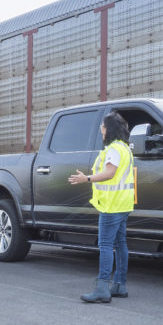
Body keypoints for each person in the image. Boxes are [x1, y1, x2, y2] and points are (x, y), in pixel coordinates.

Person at [68, 112, 134, 303]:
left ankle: (102, 288)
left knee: (105, 245)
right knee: (121, 244)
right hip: (123, 203)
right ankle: (120, 285)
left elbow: (110, 173)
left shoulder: (113, 149)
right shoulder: (125, 149)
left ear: (109, 129)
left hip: (111, 205)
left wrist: (86, 179)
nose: (101, 131)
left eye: (102, 128)